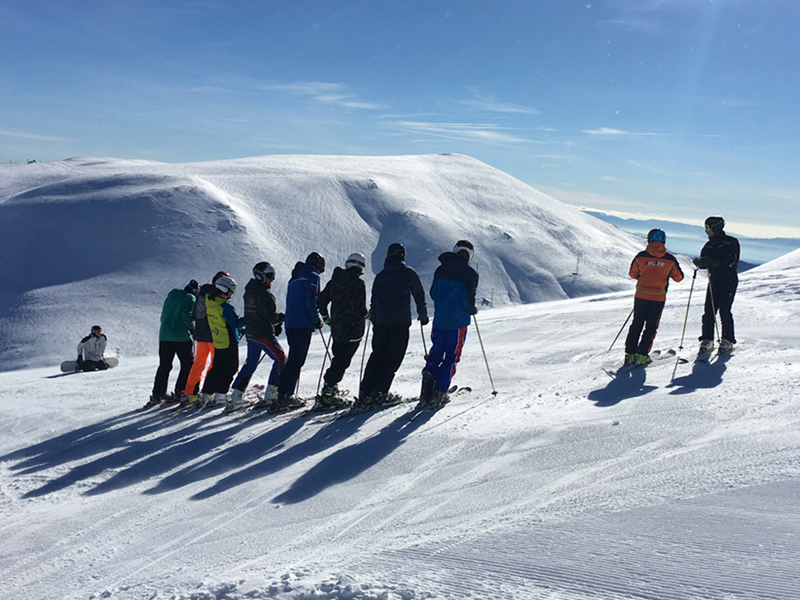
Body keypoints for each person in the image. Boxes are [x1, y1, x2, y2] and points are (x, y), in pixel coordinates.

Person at [358, 243, 428, 408]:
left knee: (377, 356)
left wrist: (375, 319)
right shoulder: (408, 273)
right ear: (402, 256)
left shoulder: (381, 276)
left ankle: (365, 392)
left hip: (381, 323)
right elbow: (418, 293)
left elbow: (374, 299)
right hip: (400, 322)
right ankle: (380, 392)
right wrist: (422, 313)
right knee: (392, 358)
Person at [421, 240, 478, 407]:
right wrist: (471, 309)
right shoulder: (470, 273)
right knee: (451, 357)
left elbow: (433, 293)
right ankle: (440, 392)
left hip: (439, 321)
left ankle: (426, 388)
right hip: (458, 323)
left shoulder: (441, 268)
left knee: (436, 353)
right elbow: (468, 299)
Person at [227, 262, 286, 411]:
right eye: (270, 276)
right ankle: (272, 395)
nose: (272, 280)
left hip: (252, 334)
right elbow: (271, 317)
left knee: (251, 363)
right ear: (261, 276)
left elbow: (257, 314)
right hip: (263, 334)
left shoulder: (250, 291)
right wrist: (283, 318)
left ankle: (236, 397)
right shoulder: (264, 294)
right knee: (281, 359)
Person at [623, 229, 684, 366]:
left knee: (636, 324)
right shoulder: (669, 259)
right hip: (658, 297)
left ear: (649, 240)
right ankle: (642, 355)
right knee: (651, 327)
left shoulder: (641, 256)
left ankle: (630, 355)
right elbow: (679, 278)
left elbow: (633, 274)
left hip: (641, 295)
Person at [316, 252, 369, 407]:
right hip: (353, 331)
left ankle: (330, 388)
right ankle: (328, 393)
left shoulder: (335, 281)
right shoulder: (358, 284)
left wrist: (326, 318)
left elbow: (321, 300)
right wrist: (367, 314)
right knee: (341, 362)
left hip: (337, 329)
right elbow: (359, 309)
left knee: (338, 359)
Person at [276, 252, 326, 410]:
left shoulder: (295, 277)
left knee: (293, 360)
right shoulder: (312, 276)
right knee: (297, 361)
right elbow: (311, 300)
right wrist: (316, 320)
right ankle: (285, 396)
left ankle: (283, 394)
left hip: (291, 324)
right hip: (302, 323)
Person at [692, 216, 740, 354]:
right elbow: (705, 259)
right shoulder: (709, 245)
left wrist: (711, 262)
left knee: (724, 310)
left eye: (707, 228)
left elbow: (731, 260)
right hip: (714, 279)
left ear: (715, 228)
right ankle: (707, 338)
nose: (706, 231)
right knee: (709, 311)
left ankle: (728, 339)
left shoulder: (731, 242)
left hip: (728, 280)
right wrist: (701, 262)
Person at [148, 279, 198, 406]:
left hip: (164, 335)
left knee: (164, 365)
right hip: (180, 337)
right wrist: (192, 329)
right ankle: (180, 391)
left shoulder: (172, 295)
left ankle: (158, 394)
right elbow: (186, 315)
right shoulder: (190, 298)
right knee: (187, 364)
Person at [183, 271, 229, 403]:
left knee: (199, 363)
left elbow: (195, 314)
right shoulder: (215, 294)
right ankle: (210, 390)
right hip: (214, 334)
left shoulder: (201, 293)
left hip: (201, 333)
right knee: (217, 363)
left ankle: (190, 392)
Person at [199, 274, 245, 407]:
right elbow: (236, 322)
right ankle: (221, 395)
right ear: (224, 289)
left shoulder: (211, 301)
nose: (232, 293)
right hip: (228, 340)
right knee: (230, 368)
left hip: (218, 339)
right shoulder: (225, 306)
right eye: (231, 290)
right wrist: (249, 317)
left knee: (217, 367)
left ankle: (207, 394)